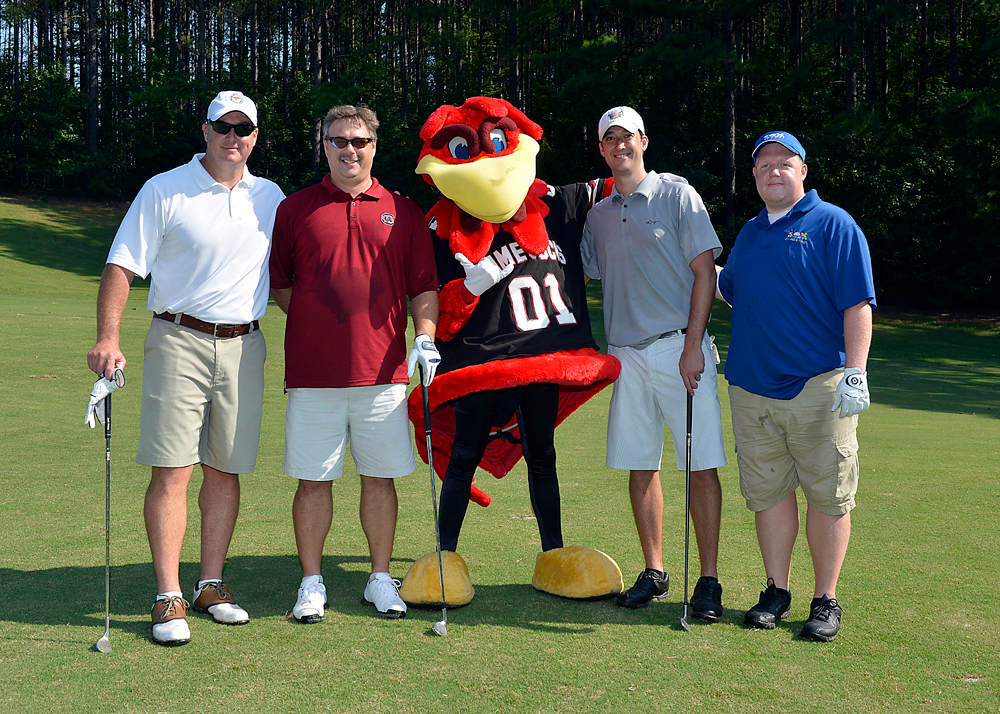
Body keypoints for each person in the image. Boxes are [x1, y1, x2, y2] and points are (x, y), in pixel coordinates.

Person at [87, 91, 285, 646]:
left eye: (244, 130)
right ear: (205, 130)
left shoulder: (270, 197)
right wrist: (108, 337)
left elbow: (297, 274)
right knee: (173, 469)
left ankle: (210, 584)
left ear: (255, 138)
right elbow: (122, 264)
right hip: (178, 338)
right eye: (224, 127)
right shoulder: (165, 188)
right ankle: (167, 594)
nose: (233, 138)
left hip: (246, 346)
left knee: (226, 468)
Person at [269, 104, 440, 623]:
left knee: (379, 479)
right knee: (313, 480)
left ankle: (379, 578)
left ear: (373, 147)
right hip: (313, 376)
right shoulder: (295, 208)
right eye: (338, 140)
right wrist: (324, 324)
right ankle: (312, 582)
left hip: (384, 372)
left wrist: (426, 338)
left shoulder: (402, 210)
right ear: (324, 146)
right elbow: (281, 285)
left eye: (359, 141)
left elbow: (424, 287)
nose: (349, 149)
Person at [717, 131, 875, 642]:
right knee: (768, 495)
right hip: (751, 388)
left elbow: (858, 304)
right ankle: (776, 591)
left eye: (784, 163)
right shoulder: (748, 233)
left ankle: (825, 599)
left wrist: (856, 371)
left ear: (803, 170)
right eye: (763, 165)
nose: (772, 172)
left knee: (828, 497)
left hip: (819, 387)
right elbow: (734, 290)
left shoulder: (835, 225)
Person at [581, 106, 728, 618]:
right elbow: (582, 275)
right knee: (641, 464)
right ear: (601, 149)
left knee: (700, 465)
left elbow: (705, 272)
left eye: (628, 137)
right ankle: (655, 569)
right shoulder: (597, 215)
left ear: (645, 140)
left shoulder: (677, 194)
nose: (620, 146)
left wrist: (693, 346)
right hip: (626, 355)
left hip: (679, 349)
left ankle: (707, 580)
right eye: (610, 139)